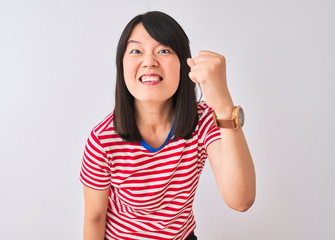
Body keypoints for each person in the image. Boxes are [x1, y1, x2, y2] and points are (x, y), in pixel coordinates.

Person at [80, 11, 256, 240]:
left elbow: (241, 201)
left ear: (185, 64)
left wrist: (224, 105)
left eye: (163, 50)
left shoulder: (203, 120)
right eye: (136, 51)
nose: (149, 61)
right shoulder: (103, 140)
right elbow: (94, 217)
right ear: (121, 65)